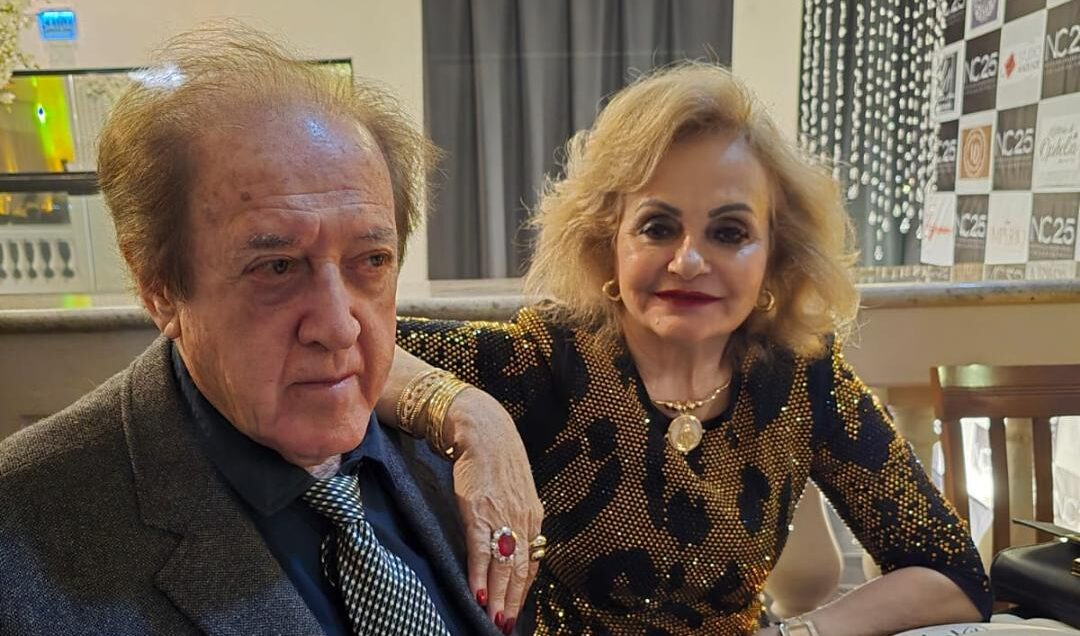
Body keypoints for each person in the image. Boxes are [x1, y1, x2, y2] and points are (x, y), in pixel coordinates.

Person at [379, 62, 992, 635]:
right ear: (608, 243)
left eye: (730, 231)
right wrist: (470, 412)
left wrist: (798, 634)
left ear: (775, 255)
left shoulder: (803, 375)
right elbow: (360, 344)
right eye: (658, 227)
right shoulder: (547, 357)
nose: (689, 260)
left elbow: (953, 575)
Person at [0, 25, 503, 636]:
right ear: (158, 286)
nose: (338, 327)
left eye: (371, 260)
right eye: (277, 267)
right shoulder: (23, 542)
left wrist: (481, 419)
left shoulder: (458, 456)